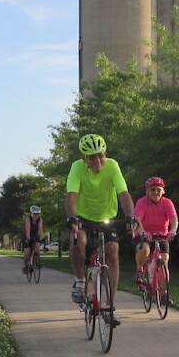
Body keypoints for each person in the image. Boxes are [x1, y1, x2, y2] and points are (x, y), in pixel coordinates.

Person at [65, 133, 135, 326]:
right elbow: (71, 195)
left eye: (100, 155)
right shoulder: (77, 168)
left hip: (107, 217)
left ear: (105, 153)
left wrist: (130, 216)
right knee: (79, 241)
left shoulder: (112, 165)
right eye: (91, 157)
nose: (97, 160)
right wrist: (72, 218)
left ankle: (110, 306)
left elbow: (123, 193)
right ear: (84, 158)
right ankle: (80, 280)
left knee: (113, 253)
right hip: (83, 217)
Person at [131, 176, 179, 287]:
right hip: (143, 233)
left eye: (158, 189)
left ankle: (164, 294)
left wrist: (173, 231)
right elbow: (137, 219)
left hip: (161, 235)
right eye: (152, 189)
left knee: (164, 261)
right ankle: (140, 271)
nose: (156, 192)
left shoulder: (167, 203)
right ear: (147, 191)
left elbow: (174, 219)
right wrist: (143, 233)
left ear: (163, 191)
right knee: (145, 249)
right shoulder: (142, 202)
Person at [23, 205, 45, 273]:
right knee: (27, 252)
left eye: (38, 213)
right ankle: (26, 265)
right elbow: (28, 230)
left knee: (37, 248)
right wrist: (28, 239)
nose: (36, 215)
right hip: (28, 235)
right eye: (35, 214)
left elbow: (40, 230)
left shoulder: (40, 219)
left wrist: (42, 238)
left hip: (35, 234)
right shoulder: (28, 219)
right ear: (31, 213)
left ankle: (37, 262)